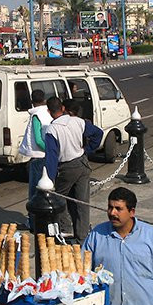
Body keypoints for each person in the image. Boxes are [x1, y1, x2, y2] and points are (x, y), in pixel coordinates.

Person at [43, 96, 103, 244]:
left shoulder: (52, 129)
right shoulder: (77, 121)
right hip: (82, 163)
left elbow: (52, 157)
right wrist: (87, 149)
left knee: (59, 197)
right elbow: (98, 133)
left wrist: (49, 180)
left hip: (67, 166)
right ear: (63, 108)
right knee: (81, 202)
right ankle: (82, 237)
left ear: (49, 111)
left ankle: (66, 229)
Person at [19, 89, 53, 223]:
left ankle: (34, 222)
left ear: (32, 102)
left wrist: (47, 150)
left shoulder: (36, 116)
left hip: (38, 158)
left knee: (35, 192)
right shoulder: (48, 113)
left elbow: (38, 140)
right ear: (44, 100)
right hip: (49, 157)